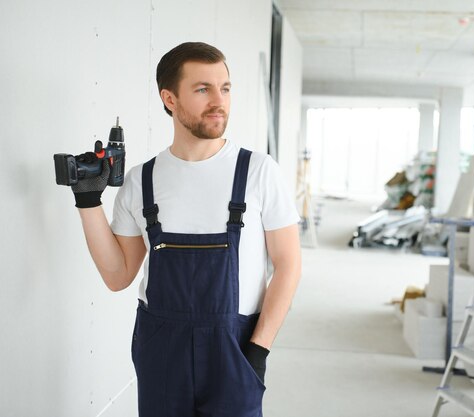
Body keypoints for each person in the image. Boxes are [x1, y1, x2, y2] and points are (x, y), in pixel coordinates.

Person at [71, 42, 302, 417]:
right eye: (202, 89)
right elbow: (117, 276)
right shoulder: (141, 180)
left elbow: (288, 265)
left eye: (225, 88)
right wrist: (87, 201)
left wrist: (258, 350)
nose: (219, 100)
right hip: (162, 349)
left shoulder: (259, 172)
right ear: (170, 98)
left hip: (236, 347)